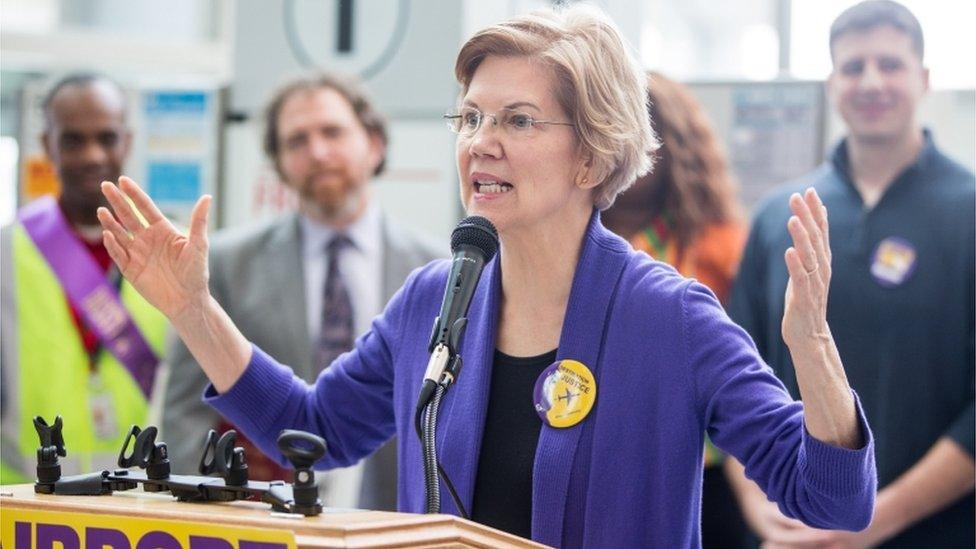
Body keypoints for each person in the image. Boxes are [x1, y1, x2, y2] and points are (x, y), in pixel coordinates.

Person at [96, 6, 876, 547]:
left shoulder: (671, 318)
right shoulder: (435, 300)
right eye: (470, 117)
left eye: (516, 120)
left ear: (593, 152)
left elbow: (831, 496)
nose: (480, 142)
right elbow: (316, 430)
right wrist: (195, 308)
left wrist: (812, 345)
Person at [726, 1, 975, 547]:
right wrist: (754, 501)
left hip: (934, 533)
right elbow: (734, 374)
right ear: (831, 82)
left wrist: (871, 517)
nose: (871, 81)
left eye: (890, 64)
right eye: (853, 66)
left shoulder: (969, 212)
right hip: (794, 532)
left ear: (925, 78)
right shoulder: (778, 218)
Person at [161, 73, 441, 511]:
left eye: (333, 131)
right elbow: (184, 415)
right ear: (278, 164)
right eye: (296, 141)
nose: (317, 151)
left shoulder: (435, 271)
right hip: (264, 516)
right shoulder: (226, 266)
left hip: (393, 517)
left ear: (374, 144)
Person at [602, 71, 748, 547]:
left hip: (703, 478)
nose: (629, 144)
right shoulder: (559, 244)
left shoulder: (720, 249)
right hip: (593, 465)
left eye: (644, 129)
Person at [0, 74, 167, 484]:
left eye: (106, 138)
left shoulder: (173, 252)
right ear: (47, 145)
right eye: (73, 140)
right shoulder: (5, 252)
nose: (92, 155)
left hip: (146, 509)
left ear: (126, 142)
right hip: (25, 509)